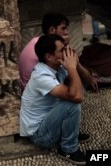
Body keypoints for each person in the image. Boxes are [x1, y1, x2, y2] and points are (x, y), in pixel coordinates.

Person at [20, 34, 86, 165]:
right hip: (39, 135)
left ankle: (68, 134)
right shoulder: (41, 76)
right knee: (71, 104)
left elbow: (88, 80)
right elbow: (78, 97)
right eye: (62, 50)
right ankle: (68, 149)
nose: (67, 52)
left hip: (49, 120)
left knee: (75, 84)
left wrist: (76, 65)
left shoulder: (58, 67)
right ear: (49, 57)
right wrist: (72, 68)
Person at [18, 12, 98, 93]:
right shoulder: (47, 49)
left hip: (36, 89)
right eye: (63, 28)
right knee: (76, 82)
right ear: (52, 30)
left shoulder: (39, 41)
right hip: (37, 95)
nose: (66, 32)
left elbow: (75, 65)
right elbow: (74, 72)